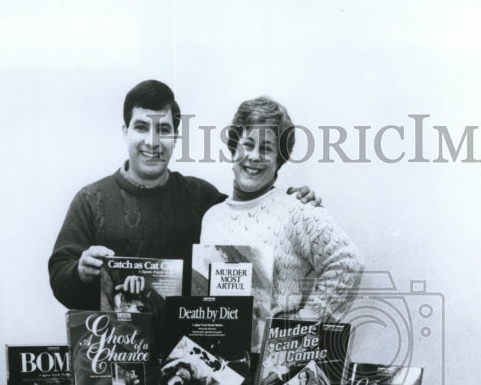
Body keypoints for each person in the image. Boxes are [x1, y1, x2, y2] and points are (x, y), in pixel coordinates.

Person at [49, 80, 319, 308]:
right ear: (125, 131)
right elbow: (60, 274)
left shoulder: (200, 197)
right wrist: (79, 272)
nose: (153, 142)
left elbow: (248, 215)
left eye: (163, 130)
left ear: (176, 137)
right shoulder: (91, 200)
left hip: (187, 359)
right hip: (117, 356)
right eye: (141, 127)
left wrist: (291, 200)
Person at [200, 96, 364, 347]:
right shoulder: (211, 218)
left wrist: (303, 327)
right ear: (234, 148)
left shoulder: (297, 209)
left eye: (266, 149)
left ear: (279, 159)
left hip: (275, 369)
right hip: (222, 361)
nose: (254, 156)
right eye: (248, 144)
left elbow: (348, 263)